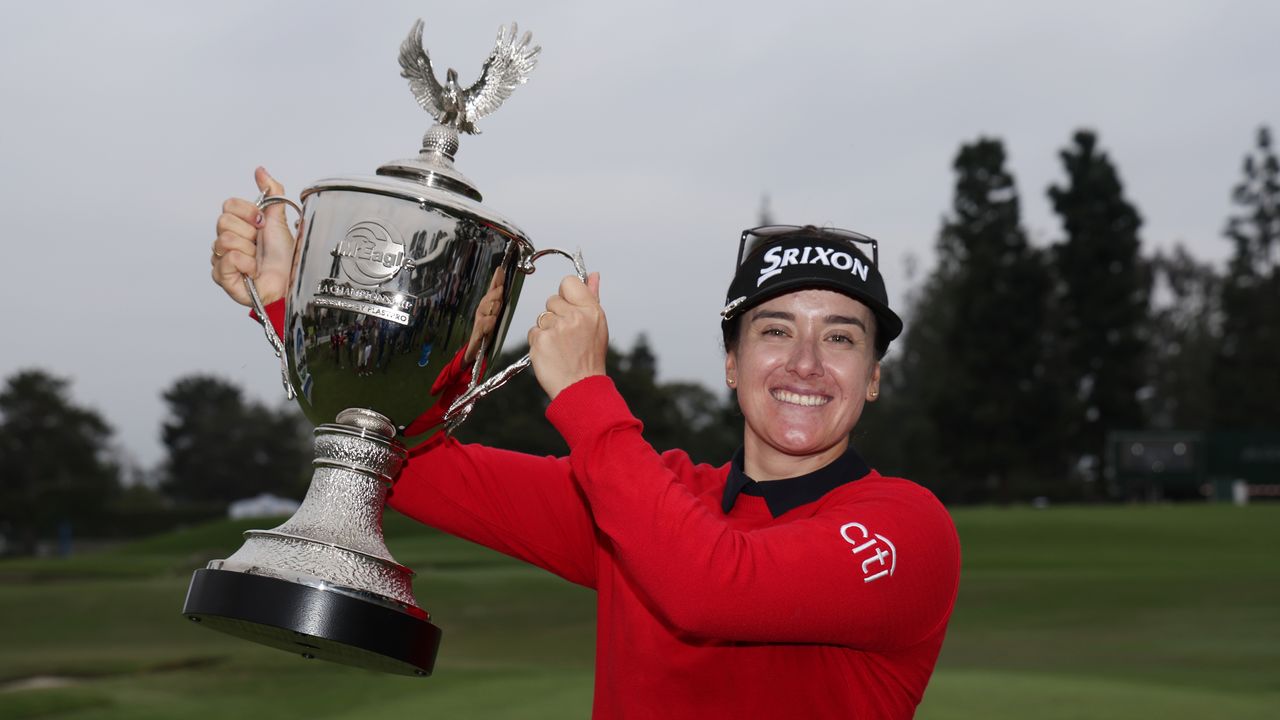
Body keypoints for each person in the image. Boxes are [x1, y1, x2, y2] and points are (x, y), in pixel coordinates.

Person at [211, 168, 960, 719]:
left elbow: (711, 587)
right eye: (774, 331)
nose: (804, 363)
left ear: (872, 380)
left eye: (840, 338)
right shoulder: (645, 504)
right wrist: (287, 303)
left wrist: (583, 393)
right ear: (732, 365)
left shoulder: (905, 528)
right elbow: (409, 467)